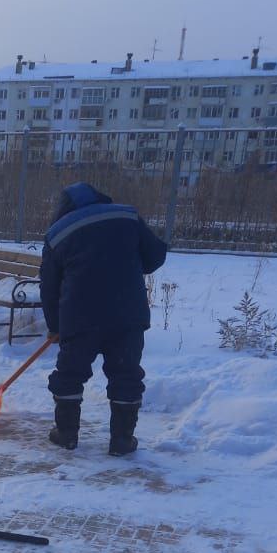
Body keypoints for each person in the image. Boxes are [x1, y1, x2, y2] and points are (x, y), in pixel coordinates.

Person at [38, 182, 167, 455]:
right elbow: (155, 256)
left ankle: (66, 434)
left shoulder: (57, 234)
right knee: (125, 374)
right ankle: (122, 441)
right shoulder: (127, 217)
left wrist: (55, 327)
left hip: (80, 318)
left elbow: (48, 288)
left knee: (70, 375)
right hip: (127, 315)